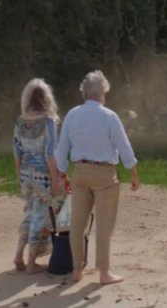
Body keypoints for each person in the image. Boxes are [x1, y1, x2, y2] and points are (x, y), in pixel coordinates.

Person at [54, 70, 140, 285]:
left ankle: (76, 269)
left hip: (80, 172)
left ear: (84, 92)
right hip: (104, 174)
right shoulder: (109, 116)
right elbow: (124, 146)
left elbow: (62, 147)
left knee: (77, 223)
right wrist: (133, 174)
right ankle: (104, 272)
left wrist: (62, 172)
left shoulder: (73, 114)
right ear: (102, 92)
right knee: (104, 225)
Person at [12, 78, 65, 274]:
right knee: (40, 217)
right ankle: (32, 262)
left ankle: (19, 255)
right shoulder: (48, 121)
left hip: (26, 173)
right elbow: (50, 153)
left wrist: (20, 175)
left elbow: (17, 151)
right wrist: (55, 180)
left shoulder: (20, 120)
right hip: (44, 175)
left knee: (29, 213)